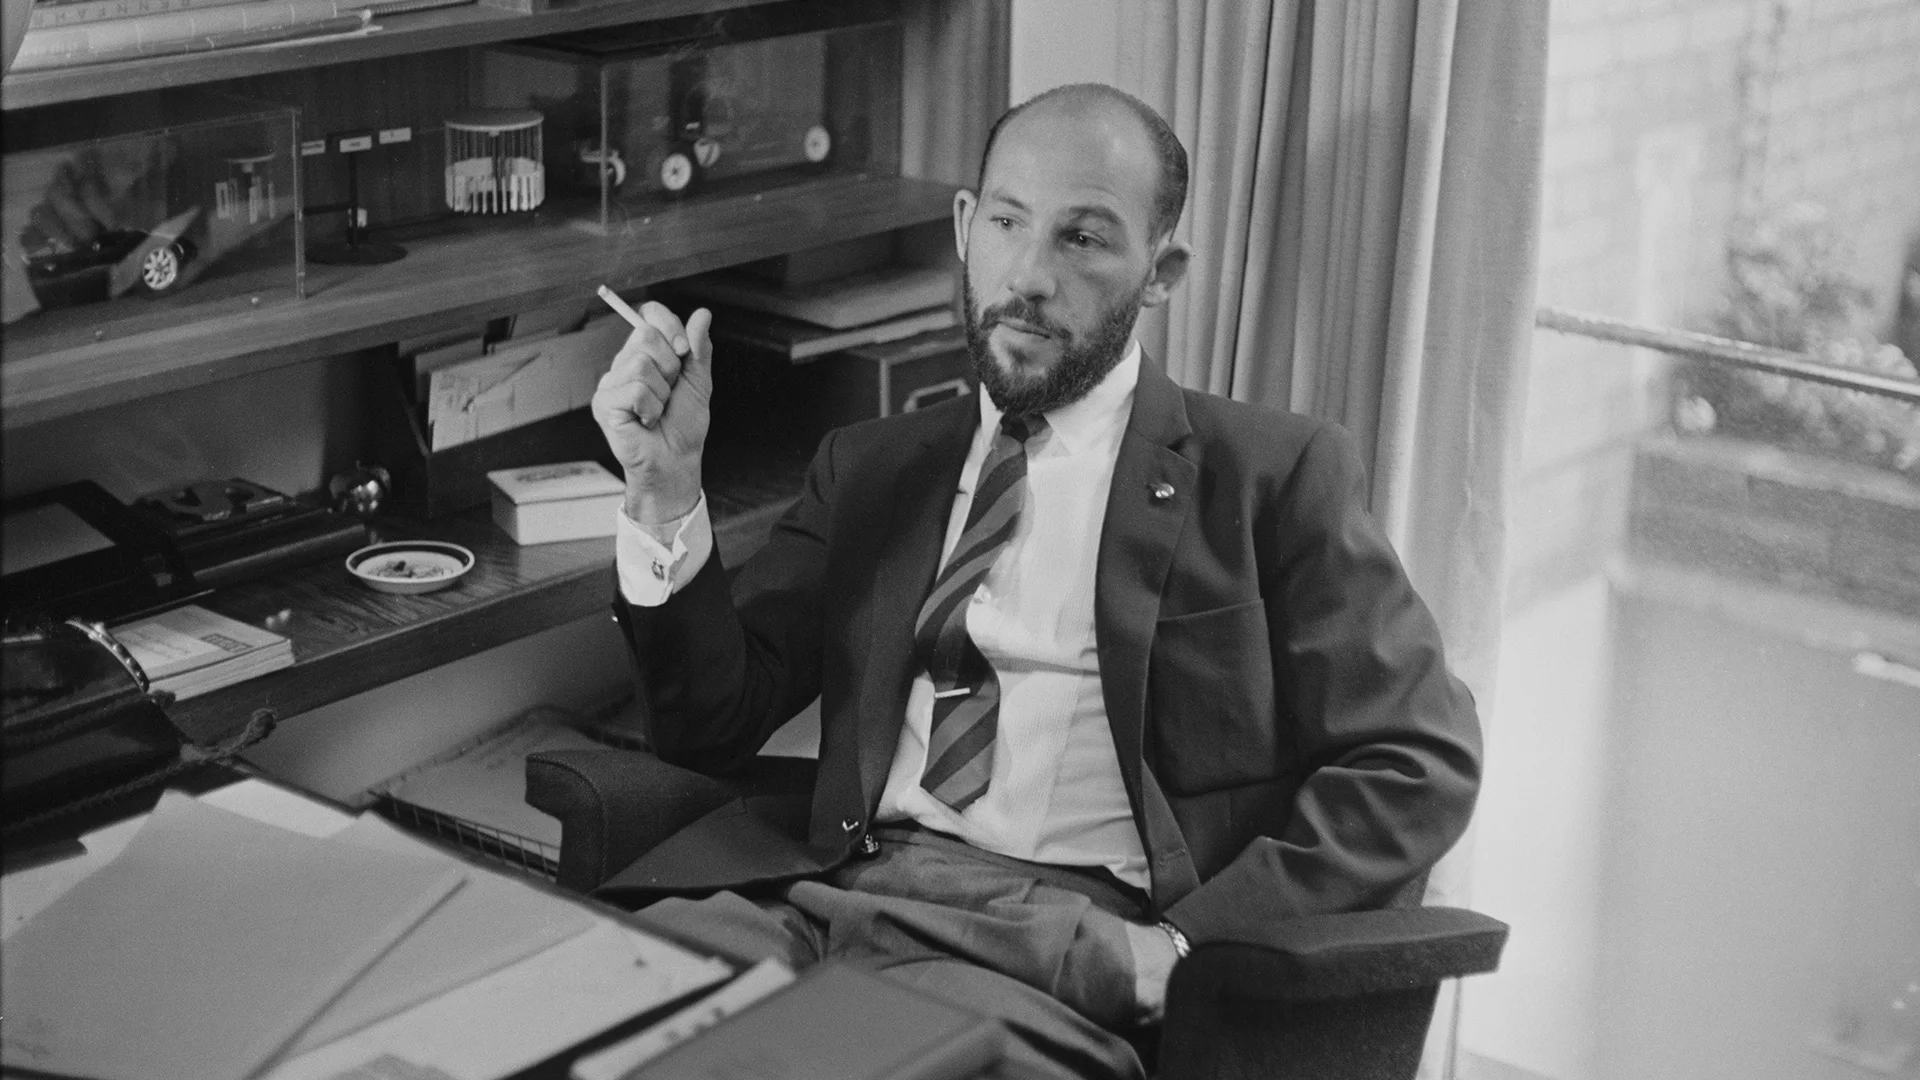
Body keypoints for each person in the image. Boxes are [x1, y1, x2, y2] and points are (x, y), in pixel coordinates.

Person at [589, 83, 1481, 1080]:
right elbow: (710, 723)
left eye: (1084, 238)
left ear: (1161, 270)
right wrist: (664, 490)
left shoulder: (1272, 475)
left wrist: (1191, 947)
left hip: (1054, 948)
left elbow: (1417, 761)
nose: (1030, 275)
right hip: (817, 894)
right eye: (1009, 222)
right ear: (967, 229)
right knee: (595, 1028)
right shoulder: (871, 466)